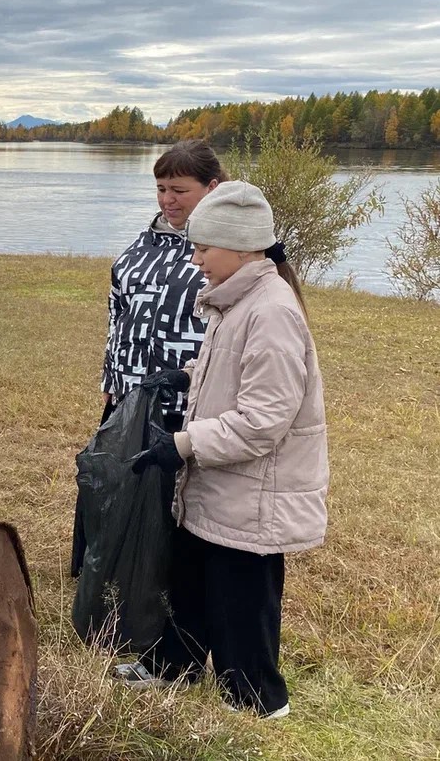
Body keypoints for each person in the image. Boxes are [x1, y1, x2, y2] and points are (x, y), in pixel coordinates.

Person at [113, 181, 328, 720]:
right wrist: (182, 378)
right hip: (220, 486)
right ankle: (173, 667)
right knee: (190, 582)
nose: (196, 259)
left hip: (253, 497)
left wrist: (181, 446)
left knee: (241, 607)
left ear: (240, 245)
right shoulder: (236, 301)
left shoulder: (271, 311)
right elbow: (230, 374)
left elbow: (263, 422)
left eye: (203, 248)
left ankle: (259, 703)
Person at [71, 140, 226, 577]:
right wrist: (111, 373)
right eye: (160, 188)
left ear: (211, 188)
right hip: (129, 391)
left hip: (185, 398)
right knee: (116, 481)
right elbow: (116, 311)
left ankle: (164, 580)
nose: (167, 199)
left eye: (179, 189)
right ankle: (111, 567)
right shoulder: (145, 243)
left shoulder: (223, 250)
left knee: (172, 496)